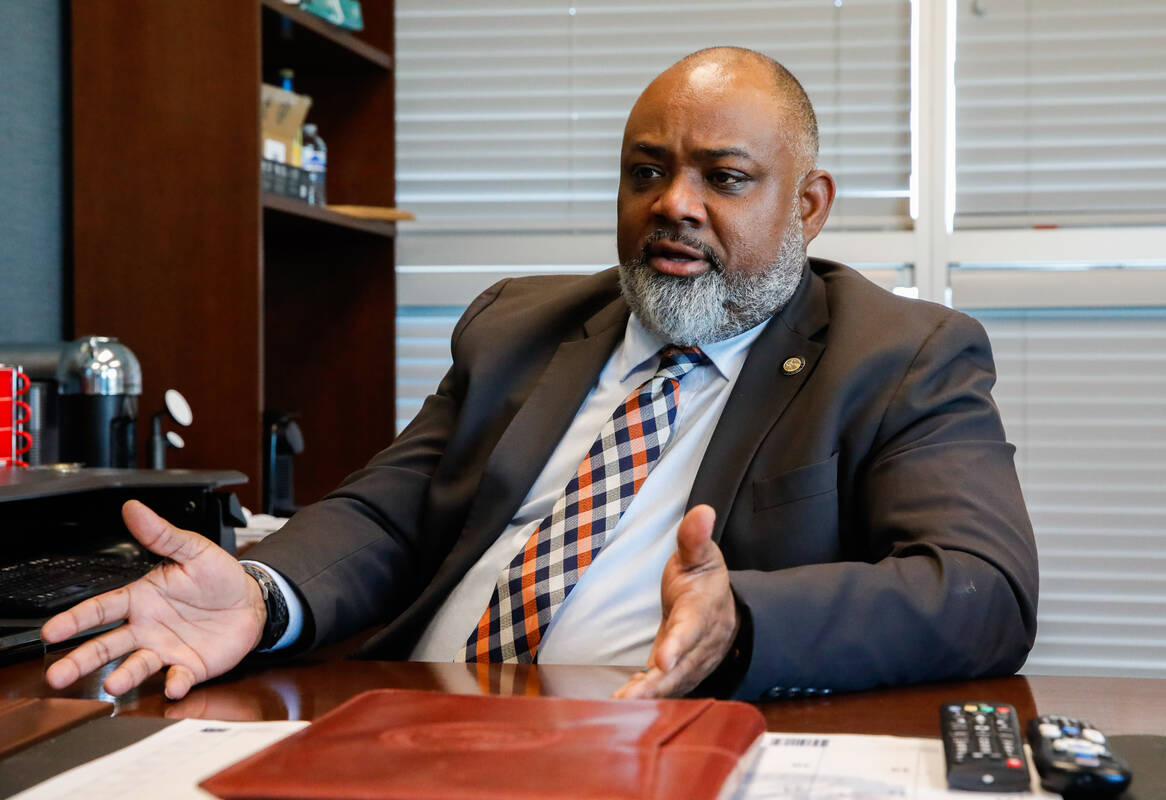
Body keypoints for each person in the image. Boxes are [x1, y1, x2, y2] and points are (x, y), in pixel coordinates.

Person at [43, 47, 1038, 703]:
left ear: (808, 205)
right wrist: (264, 592)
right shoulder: (519, 326)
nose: (673, 204)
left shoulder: (898, 354)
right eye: (646, 171)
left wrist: (743, 623)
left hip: (651, 745)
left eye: (724, 177)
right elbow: (389, 515)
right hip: (414, 725)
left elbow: (982, 588)